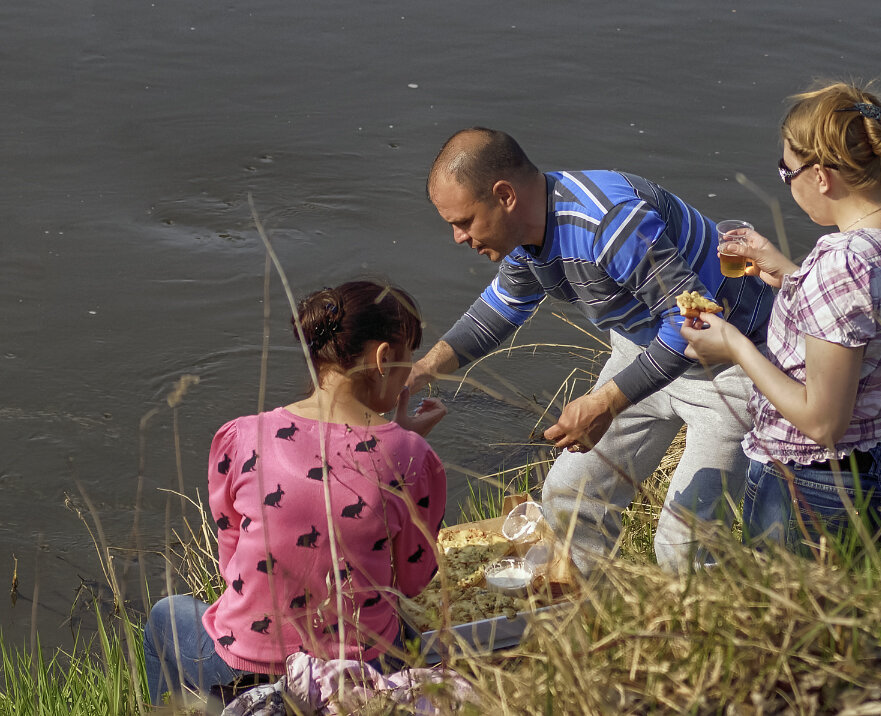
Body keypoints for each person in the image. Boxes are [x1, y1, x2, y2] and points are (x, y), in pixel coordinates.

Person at [410, 127, 774, 573]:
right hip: (646, 347)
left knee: (684, 547)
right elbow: (499, 311)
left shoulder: (610, 224)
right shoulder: (526, 235)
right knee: (568, 500)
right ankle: (586, 618)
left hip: (729, 365)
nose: (458, 237)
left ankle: (711, 633)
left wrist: (605, 402)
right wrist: (421, 371)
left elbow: (693, 321)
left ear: (504, 195)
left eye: (463, 221)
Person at [680, 82, 881, 559]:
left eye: (786, 171)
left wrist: (734, 345)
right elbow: (874, 320)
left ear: (820, 177)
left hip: (815, 491)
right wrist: (792, 275)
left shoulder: (842, 266)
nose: (787, 184)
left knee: (790, 627)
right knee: (839, 612)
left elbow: (823, 422)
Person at [144, 280, 448, 705]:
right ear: (383, 358)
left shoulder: (240, 436)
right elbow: (415, 581)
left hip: (244, 659)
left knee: (164, 616)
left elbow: (229, 561)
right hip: (359, 667)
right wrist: (406, 441)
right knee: (417, 637)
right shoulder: (412, 456)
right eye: (409, 357)